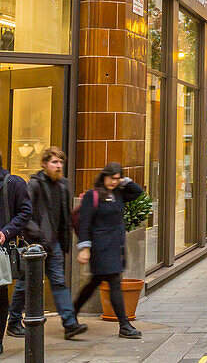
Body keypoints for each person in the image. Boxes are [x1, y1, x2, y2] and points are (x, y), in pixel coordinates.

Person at [6, 147, 87, 340]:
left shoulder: (64, 185)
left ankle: (69, 324)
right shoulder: (33, 185)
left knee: (59, 283)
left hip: (56, 245)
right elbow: (26, 215)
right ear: (44, 164)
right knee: (25, 284)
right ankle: (14, 321)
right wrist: (40, 236)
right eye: (54, 162)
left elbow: (65, 216)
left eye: (60, 162)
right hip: (35, 245)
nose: (58, 166)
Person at [73, 162, 144, 339]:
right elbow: (84, 223)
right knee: (114, 283)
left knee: (94, 283)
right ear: (103, 176)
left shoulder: (119, 194)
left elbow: (138, 192)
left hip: (116, 246)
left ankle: (70, 313)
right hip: (100, 248)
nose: (113, 182)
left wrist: (125, 180)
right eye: (111, 178)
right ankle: (124, 325)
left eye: (116, 179)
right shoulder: (93, 195)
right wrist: (84, 247)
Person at [0, 152, 32, 356]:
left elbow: (25, 212)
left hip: (1, 249)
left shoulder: (14, 183)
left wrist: (6, 232)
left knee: (0, 296)